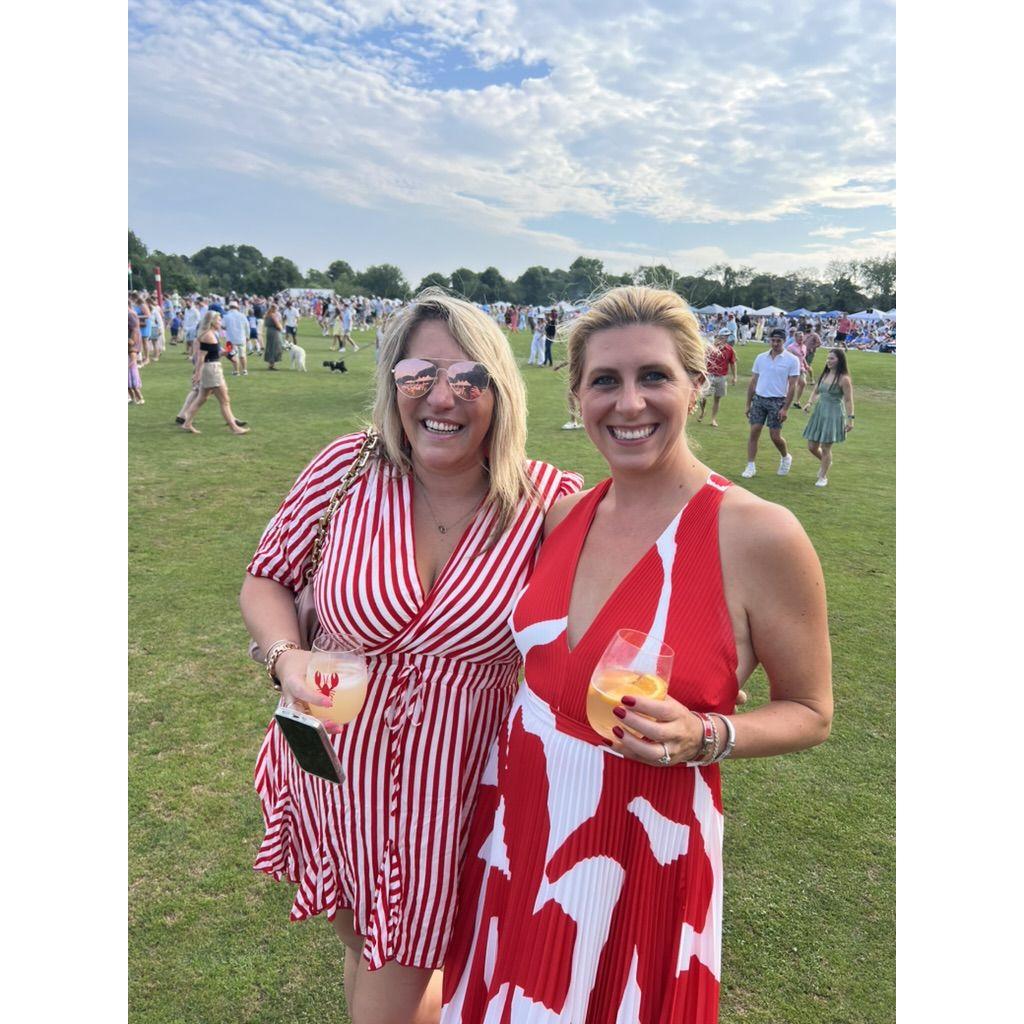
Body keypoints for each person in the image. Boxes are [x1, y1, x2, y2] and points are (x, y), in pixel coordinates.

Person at [441, 286, 833, 1022]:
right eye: (604, 381)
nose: (629, 404)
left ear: (697, 382)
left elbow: (811, 711)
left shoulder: (757, 534)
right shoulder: (562, 517)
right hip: (521, 819)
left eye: (653, 376)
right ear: (577, 396)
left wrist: (707, 735)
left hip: (643, 847)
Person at [240, 291, 582, 1024]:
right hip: (329, 770)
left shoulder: (548, 504)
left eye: (469, 378)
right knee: (365, 945)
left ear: (501, 391)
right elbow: (267, 573)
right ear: (392, 380)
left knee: (387, 989)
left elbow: (641, 581)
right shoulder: (347, 469)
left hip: (451, 800)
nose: (442, 396)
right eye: (419, 373)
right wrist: (285, 658)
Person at [741, 328, 800, 478]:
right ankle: (750, 466)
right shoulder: (761, 358)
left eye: (778, 341)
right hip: (759, 399)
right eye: (773, 340)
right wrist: (748, 404)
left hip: (777, 400)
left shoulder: (792, 360)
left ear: (784, 341)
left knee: (775, 436)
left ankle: (786, 457)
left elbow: (792, 385)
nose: (775, 344)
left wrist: (785, 408)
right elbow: (753, 381)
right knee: (754, 432)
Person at [180, 311, 250, 434]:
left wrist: (225, 353)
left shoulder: (211, 334)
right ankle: (235, 428)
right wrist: (197, 374)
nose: (220, 322)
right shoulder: (208, 336)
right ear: (212, 322)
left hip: (212, 367)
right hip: (212, 370)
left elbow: (211, 354)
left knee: (202, 398)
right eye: (218, 320)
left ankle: (187, 423)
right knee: (224, 400)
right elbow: (202, 357)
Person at [802, 348, 855, 488]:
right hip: (819, 412)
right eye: (828, 358)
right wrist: (809, 402)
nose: (829, 361)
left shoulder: (844, 379)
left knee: (826, 447)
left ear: (840, 360)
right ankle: (826, 462)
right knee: (812, 446)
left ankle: (822, 476)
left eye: (832, 358)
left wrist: (850, 419)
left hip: (834, 414)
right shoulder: (825, 374)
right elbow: (816, 391)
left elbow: (848, 400)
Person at [697, 328, 738, 427]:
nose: (726, 338)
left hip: (721, 376)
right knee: (703, 396)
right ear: (719, 337)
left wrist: (735, 376)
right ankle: (703, 411)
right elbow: (703, 358)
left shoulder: (729, 349)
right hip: (709, 375)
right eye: (724, 336)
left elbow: (733, 363)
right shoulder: (711, 347)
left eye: (727, 337)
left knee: (717, 398)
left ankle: (713, 419)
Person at [223, 300, 249, 376]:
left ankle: (236, 371)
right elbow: (247, 326)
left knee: (232, 355)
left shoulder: (226, 316)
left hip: (230, 339)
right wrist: (247, 336)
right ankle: (244, 370)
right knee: (242, 355)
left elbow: (223, 326)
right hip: (241, 338)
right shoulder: (242, 315)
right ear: (237, 307)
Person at [785, 330, 810, 408]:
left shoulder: (804, 347)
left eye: (802, 337)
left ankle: (797, 401)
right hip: (793, 368)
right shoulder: (790, 347)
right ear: (795, 337)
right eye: (800, 337)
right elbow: (788, 358)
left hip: (801, 368)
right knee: (792, 384)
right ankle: (786, 399)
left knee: (803, 383)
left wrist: (806, 365)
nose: (801, 338)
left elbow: (803, 357)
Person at [263, 303, 284, 370]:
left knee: (270, 347)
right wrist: (281, 328)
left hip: (269, 331)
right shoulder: (273, 315)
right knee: (274, 348)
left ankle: (270, 364)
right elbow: (278, 325)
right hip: (275, 332)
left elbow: (265, 324)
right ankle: (272, 364)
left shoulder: (267, 315)